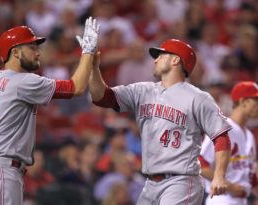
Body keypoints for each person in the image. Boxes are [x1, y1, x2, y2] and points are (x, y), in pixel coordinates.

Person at [0, 16, 100, 205]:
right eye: (31, 48)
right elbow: (76, 88)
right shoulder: (23, 81)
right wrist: (87, 51)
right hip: (2, 171)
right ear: (15, 53)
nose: (38, 53)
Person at [86, 39, 232, 204]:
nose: (155, 60)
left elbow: (221, 137)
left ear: (175, 60)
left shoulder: (198, 98)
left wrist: (219, 176)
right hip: (151, 182)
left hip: (181, 181)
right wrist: (93, 69)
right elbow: (102, 98)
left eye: (161, 55)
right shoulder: (142, 90)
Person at [199, 81, 258, 205]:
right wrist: (229, 186)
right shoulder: (223, 128)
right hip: (221, 199)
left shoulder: (250, 135)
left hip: (242, 200)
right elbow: (200, 163)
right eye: (256, 100)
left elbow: (250, 176)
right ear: (243, 101)